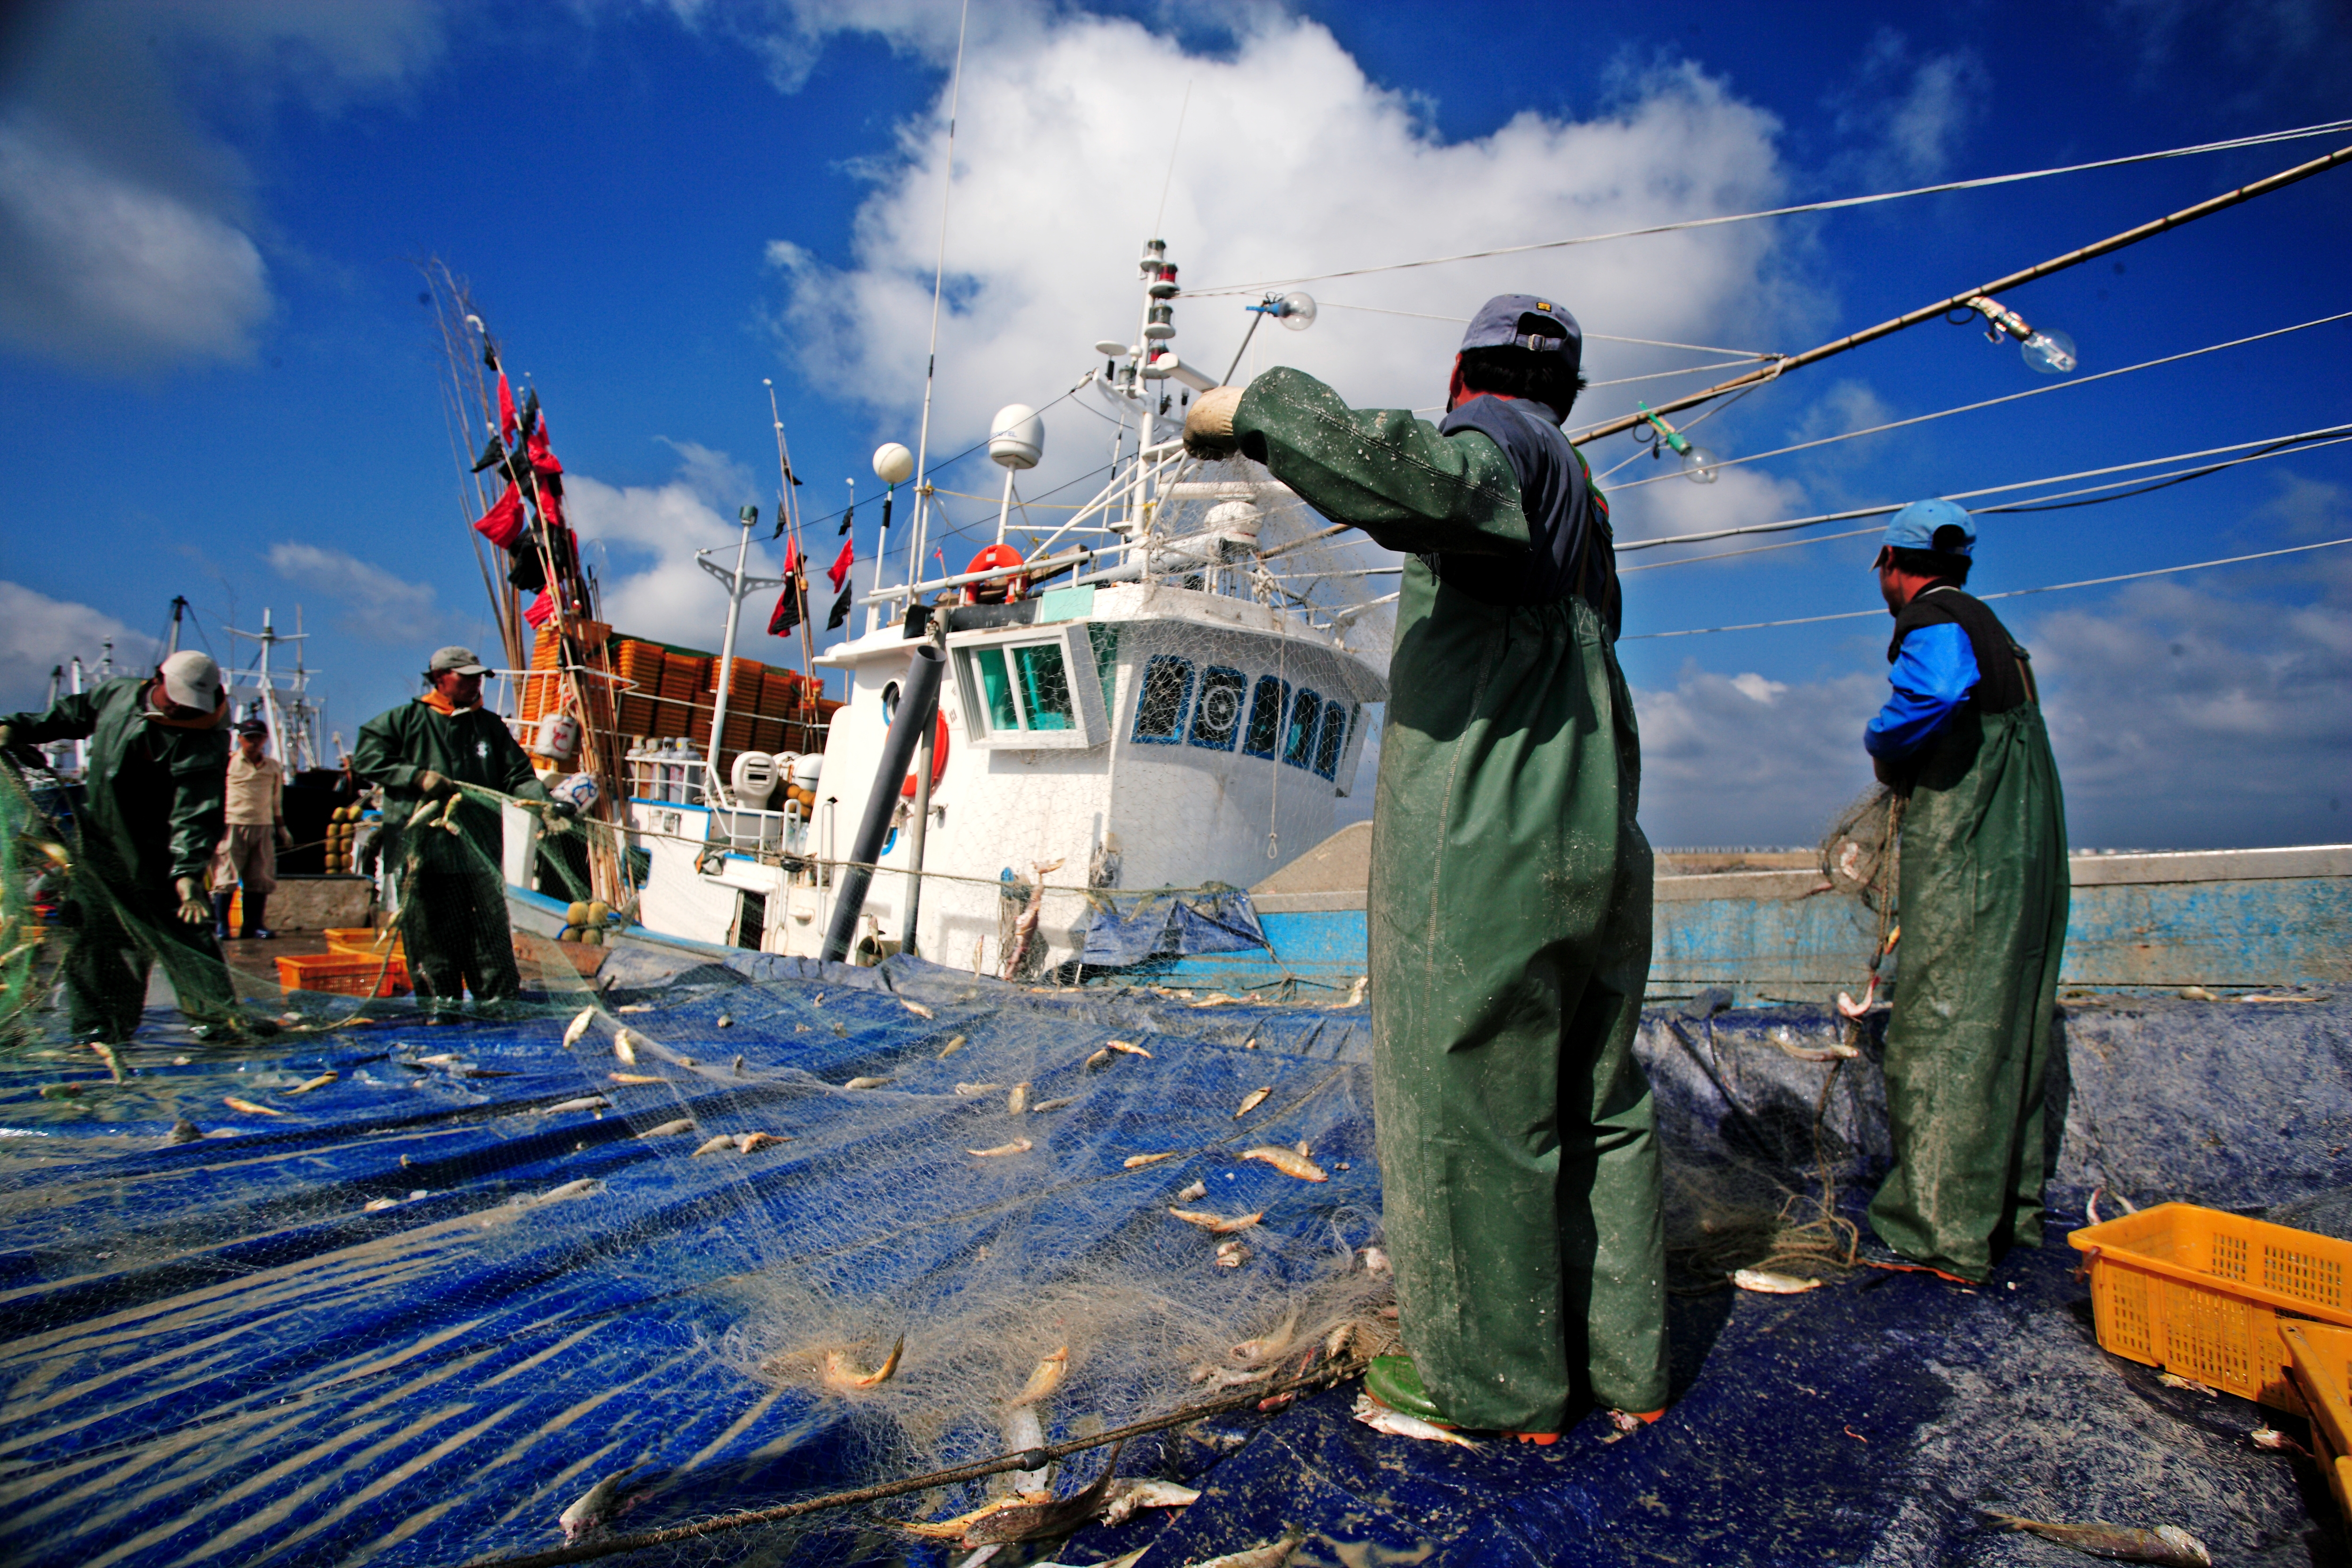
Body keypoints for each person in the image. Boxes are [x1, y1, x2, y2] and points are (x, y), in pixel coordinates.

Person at [1184, 294, 1664, 1437]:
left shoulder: (1498, 439)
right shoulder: (1582, 495)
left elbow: (1428, 483)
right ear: (1574, 391)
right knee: (1593, 1089)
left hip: (1493, 801)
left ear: (1462, 375)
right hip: (1597, 802)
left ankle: (1493, 1382)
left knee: (1466, 1089)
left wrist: (1263, 408)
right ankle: (1625, 1364)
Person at [1857, 499, 2069, 1284]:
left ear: (1892, 562)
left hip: (1974, 849)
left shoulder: (1935, 619)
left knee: (1942, 1027)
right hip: (2024, 847)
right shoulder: (1998, 631)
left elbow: (1938, 692)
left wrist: (1882, 744)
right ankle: (2004, 1210)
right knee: (2008, 1024)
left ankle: (1941, 1233)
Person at [0, 651, 251, 1041]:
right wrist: (17, 728)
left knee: (185, 934)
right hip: (98, 842)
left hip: (158, 853)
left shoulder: (205, 737)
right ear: (157, 681)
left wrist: (187, 872)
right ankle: (98, 1029)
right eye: (176, 700)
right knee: (96, 934)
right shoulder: (117, 694)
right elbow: (70, 716)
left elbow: (196, 810)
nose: (182, 709)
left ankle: (219, 1021)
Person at [352, 646, 570, 1011]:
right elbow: (367, 757)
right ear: (440, 678)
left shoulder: (489, 726)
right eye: (465, 677)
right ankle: (441, 1005)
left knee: (489, 930)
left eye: (477, 677)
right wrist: (416, 777)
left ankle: (499, 1002)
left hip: (479, 849)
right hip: (424, 851)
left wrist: (544, 804)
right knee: (430, 931)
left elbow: (517, 775)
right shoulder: (405, 720)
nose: (475, 684)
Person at [211, 719, 291, 939]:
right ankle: (222, 925)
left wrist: (282, 829)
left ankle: (253, 925)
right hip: (232, 824)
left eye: (258, 737)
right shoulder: (228, 763)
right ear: (240, 739)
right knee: (226, 877)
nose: (254, 742)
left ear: (265, 739)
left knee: (260, 877)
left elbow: (277, 799)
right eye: (249, 738)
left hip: (263, 825)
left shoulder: (273, 766)